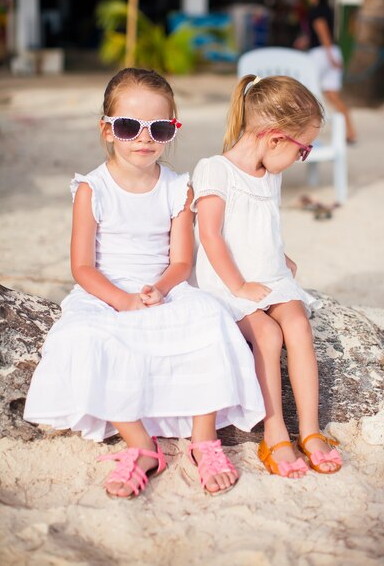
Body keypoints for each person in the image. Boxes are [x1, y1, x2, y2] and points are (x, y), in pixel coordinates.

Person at [24, 67, 265, 498]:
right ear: (107, 130)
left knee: (210, 324)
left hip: (164, 287)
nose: (143, 137)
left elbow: (181, 259)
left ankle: (203, 440)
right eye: (129, 126)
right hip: (105, 290)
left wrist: (161, 288)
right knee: (85, 339)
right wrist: (121, 299)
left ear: (174, 129)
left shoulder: (177, 188)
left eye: (158, 128)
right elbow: (81, 266)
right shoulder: (91, 189)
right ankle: (141, 446)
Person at [191, 74, 343, 478]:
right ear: (275, 138)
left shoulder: (269, 173)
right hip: (229, 284)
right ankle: (274, 431)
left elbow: (256, 228)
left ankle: (309, 430)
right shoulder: (215, 170)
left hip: (268, 277)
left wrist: (281, 256)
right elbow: (210, 235)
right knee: (269, 336)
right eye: (303, 149)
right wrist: (239, 286)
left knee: (297, 324)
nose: (301, 157)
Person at [297, 0, 357, 145]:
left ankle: (304, 134)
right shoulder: (328, 9)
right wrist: (309, 41)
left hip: (321, 55)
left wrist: (328, 54)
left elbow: (322, 32)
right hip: (333, 52)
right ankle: (350, 132)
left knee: (306, 94)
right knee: (333, 95)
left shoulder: (315, 10)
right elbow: (323, 33)